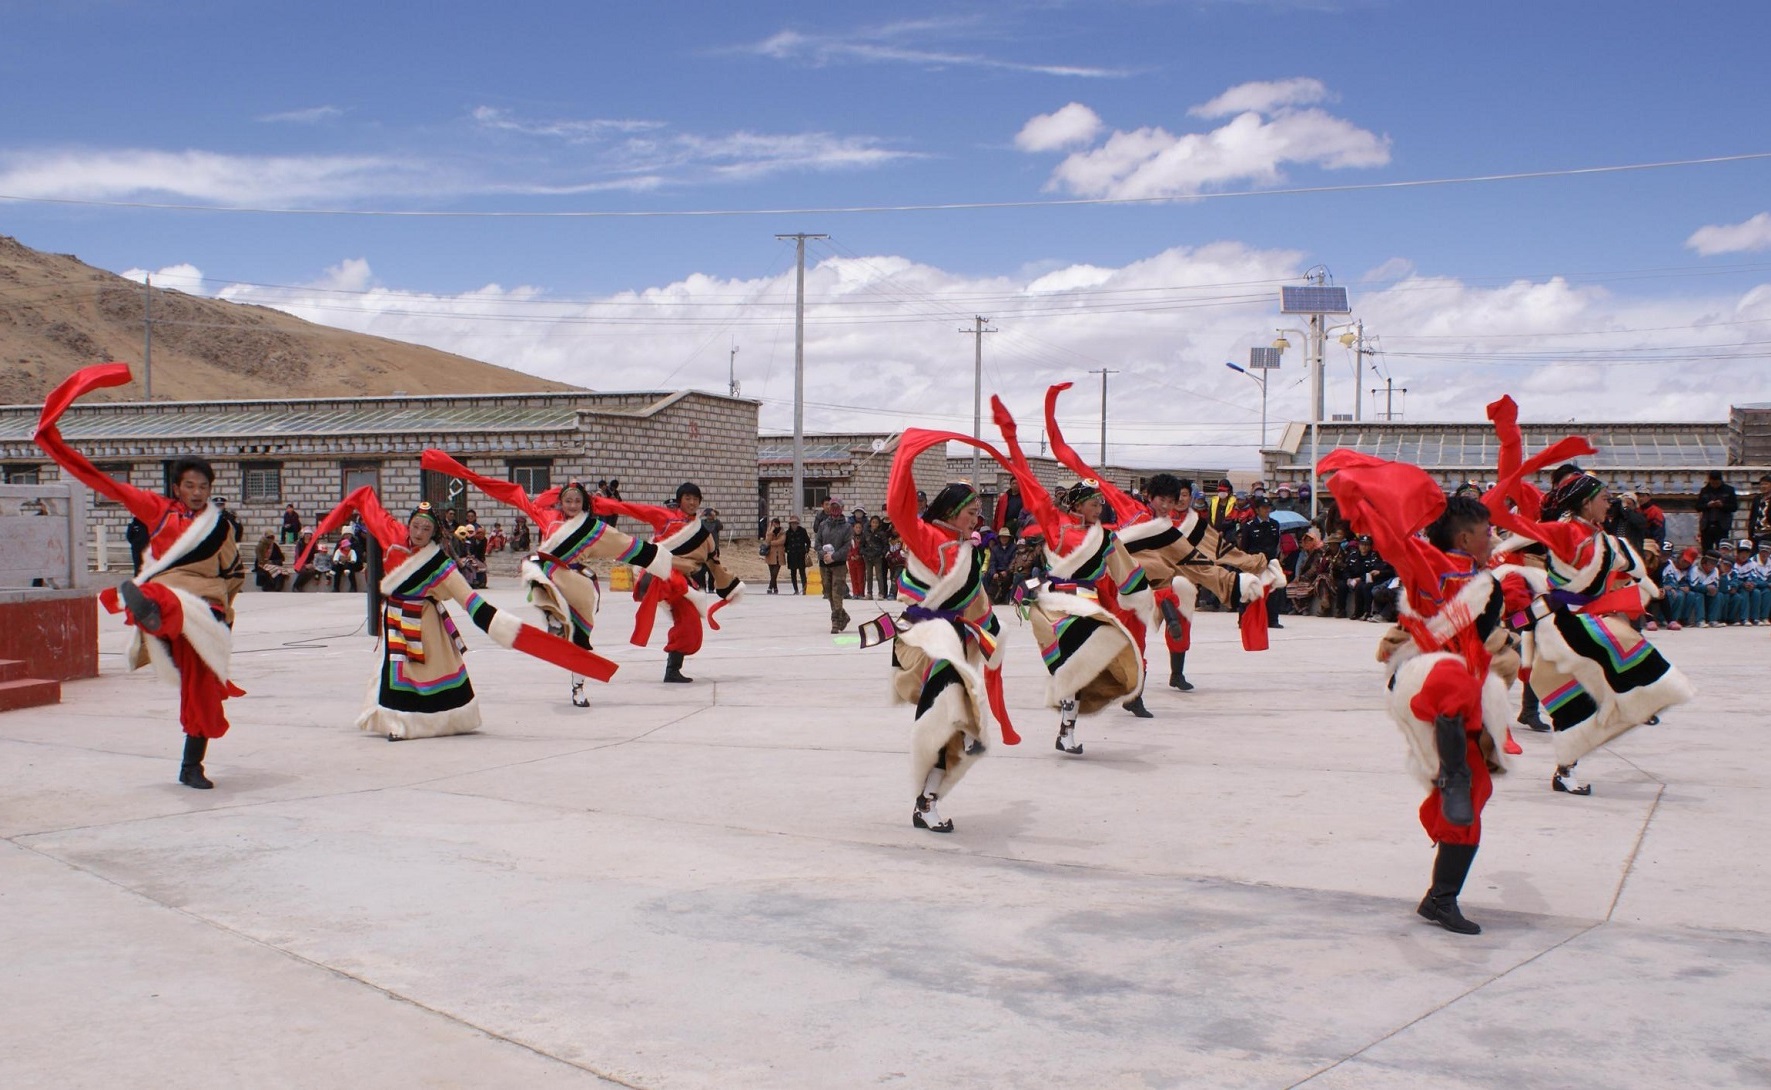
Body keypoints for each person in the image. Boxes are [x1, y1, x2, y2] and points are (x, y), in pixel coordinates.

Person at [1322, 451, 1525, 936]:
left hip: (1467, 690)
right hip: (1423, 678)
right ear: (1463, 537)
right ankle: (1451, 777)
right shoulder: (1428, 561)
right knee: (1450, 683)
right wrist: (1356, 497)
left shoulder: (1485, 579)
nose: (1493, 537)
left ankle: (1440, 898)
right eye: (1486, 531)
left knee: (1475, 798)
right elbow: (1392, 540)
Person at [33, 363, 244, 789]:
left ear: (210, 488)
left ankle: (191, 766)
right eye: (189, 485)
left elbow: (234, 574)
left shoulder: (220, 526)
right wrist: (55, 445)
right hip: (168, 598)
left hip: (207, 611)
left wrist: (226, 617)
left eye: (203, 485)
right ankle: (147, 612)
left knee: (203, 691)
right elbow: (101, 482)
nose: (197, 492)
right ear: (177, 487)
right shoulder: (157, 511)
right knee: (161, 598)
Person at [1482, 396, 1695, 795]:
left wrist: (1641, 586)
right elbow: (1510, 479)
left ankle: (1582, 745)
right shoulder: (1551, 520)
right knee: (1572, 690)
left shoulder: (1598, 533)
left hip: (1582, 614)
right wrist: (1509, 434)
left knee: (1586, 685)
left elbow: (1617, 564)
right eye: (1601, 496)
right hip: (1556, 616)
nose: (1608, 501)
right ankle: (1561, 736)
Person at [304, 489, 618, 738]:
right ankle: (395, 721)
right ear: (409, 525)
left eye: (426, 529)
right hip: (395, 620)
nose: (419, 532)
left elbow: (469, 600)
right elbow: (368, 500)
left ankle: (414, 722)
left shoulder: (440, 563)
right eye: (416, 526)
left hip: (426, 624)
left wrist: (499, 625)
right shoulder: (394, 541)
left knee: (418, 672)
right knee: (394, 670)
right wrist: (333, 521)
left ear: (434, 534)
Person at [418, 451, 675, 706]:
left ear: (584, 504)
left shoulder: (594, 529)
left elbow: (623, 544)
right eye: (568, 501)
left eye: (577, 501)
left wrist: (656, 558)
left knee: (580, 639)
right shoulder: (547, 517)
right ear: (560, 503)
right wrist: (470, 476)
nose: (572, 505)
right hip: (549, 574)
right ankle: (553, 615)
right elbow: (514, 495)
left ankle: (578, 686)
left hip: (578, 582)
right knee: (535, 565)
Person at [867, 429, 1024, 833]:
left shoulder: (966, 550)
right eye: (970, 512)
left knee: (957, 724)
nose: (976, 519)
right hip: (927, 644)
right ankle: (925, 802)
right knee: (944, 719)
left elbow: (976, 603)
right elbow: (898, 506)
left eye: (976, 514)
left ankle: (928, 799)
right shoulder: (928, 538)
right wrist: (907, 457)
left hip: (954, 646)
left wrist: (991, 633)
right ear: (952, 511)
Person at [993, 396, 1148, 754]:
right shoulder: (1058, 528)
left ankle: (1066, 730)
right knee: (1070, 668)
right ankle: (1066, 727)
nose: (1099, 508)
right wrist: (1012, 441)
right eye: (1093, 504)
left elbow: (1128, 575)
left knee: (1083, 668)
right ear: (1077, 504)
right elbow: (1029, 484)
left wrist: (1144, 597)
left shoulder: (1106, 537)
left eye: (1100, 504)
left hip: (1088, 606)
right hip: (1055, 605)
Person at [602, 482, 744, 683]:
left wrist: (730, 587)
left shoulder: (702, 532)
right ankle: (672, 669)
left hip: (684, 584)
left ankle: (672, 669)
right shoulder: (666, 518)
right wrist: (599, 504)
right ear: (680, 500)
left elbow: (714, 562)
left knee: (691, 629)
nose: (692, 502)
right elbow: (633, 510)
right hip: (662, 575)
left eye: (695, 499)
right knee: (684, 613)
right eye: (688, 498)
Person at [814, 499, 854, 632]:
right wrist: (823, 554)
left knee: (837, 593)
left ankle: (835, 621)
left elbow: (847, 546)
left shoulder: (847, 527)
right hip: (824, 564)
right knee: (828, 592)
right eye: (832, 507)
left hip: (839, 564)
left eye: (837, 507)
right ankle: (843, 615)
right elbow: (817, 543)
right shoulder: (823, 525)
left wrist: (834, 556)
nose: (834, 510)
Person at [1697, 471, 1738, 554]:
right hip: (1707, 526)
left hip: (1722, 526)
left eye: (1716, 483)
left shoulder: (1729, 490)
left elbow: (1734, 507)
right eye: (1713, 483)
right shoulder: (1704, 490)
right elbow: (1698, 507)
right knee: (1707, 551)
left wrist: (1722, 505)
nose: (1714, 485)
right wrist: (1708, 505)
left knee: (1723, 550)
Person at [861, 514, 890, 599]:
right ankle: (869, 593)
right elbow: (862, 545)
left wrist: (882, 554)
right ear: (870, 523)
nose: (874, 524)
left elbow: (886, 545)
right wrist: (863, 553)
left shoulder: (881, 534)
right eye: (873, 522)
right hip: (868, 557)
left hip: (878, 557)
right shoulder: (866, 533)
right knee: (868, 576)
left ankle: (881, 593)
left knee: (879, 576)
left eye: (876, 523)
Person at [784, 515, 810, 594]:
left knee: (802, 572)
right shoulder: (787, 533)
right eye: (792, 523)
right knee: (793, 573)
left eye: (795, 523)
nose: (794, 525)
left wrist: (806, 550)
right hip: (791, 555)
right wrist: (787, 550)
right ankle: (796, 589)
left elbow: (808, 541)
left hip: (801, 554)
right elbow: (785, 544)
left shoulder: (802, 531)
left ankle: (804, 589)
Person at [764, 517, 786, 593]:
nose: (775, 526)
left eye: (776, 524)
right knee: (772, 573)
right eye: (773, 524)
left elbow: (782, 541)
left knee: (775, 573)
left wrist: (772, 543)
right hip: (770, 555)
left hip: (779, 555)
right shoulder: (769, 532)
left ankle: (770, 587)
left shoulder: (782, 531)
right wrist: (771, 531)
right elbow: (767, 541)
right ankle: (775, 588)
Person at [1749, 475, 1771, 551]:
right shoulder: (1757, 499)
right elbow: (1752, 516)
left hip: (1768, 533)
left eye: (1766, 484)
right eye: (1761, 484)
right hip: (1756, 534)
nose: (1763, 486)